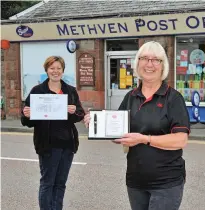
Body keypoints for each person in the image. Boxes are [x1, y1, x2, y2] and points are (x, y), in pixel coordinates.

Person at [84, 41, 190, 210]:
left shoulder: (173, 98)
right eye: (144, 58)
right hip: (135, 181)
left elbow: (180, 140)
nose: (149, 64)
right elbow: (119, 135)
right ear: (137, 63)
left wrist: (144, 139)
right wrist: (98, 123)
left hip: (166, 182)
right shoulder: (131, 97)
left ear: (163, 66)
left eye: (156, 60)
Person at [21, 56, 85, 210]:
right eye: (52, 68)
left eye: (58, 68)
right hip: (47, 145)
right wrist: (27, 115)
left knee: (60, 184)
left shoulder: (70, 90)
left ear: (63, 71)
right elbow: (27, 120)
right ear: (47, 70)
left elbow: (80, 114)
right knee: (48, 183)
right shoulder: (38, 91)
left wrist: (74, 111)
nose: (55, 71)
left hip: (67, 144)